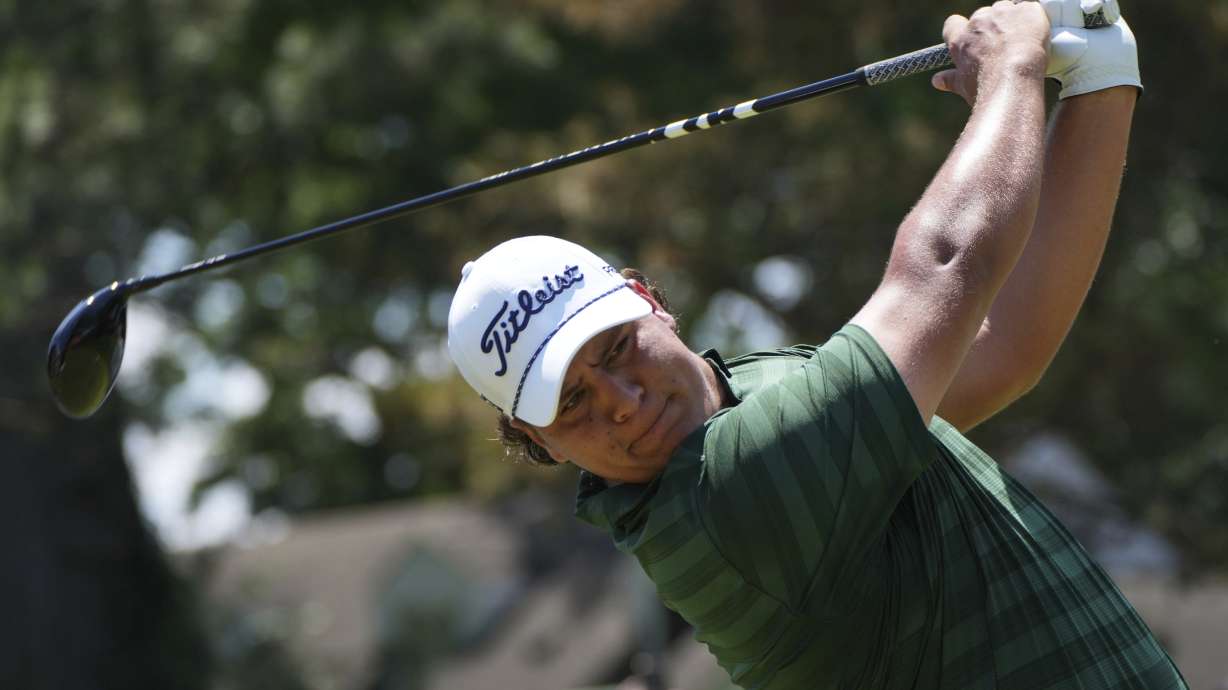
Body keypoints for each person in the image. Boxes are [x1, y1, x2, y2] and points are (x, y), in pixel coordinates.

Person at [447, 0, 1187, 687]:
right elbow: (944, 267)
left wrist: (1100, 77)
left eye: (614, 349)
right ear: (538, 442)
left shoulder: (761, 393)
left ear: (649, 301)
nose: (622, 400)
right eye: (571, 402)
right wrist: (1012, 67)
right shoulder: (728, 501)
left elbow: (1003, 350)